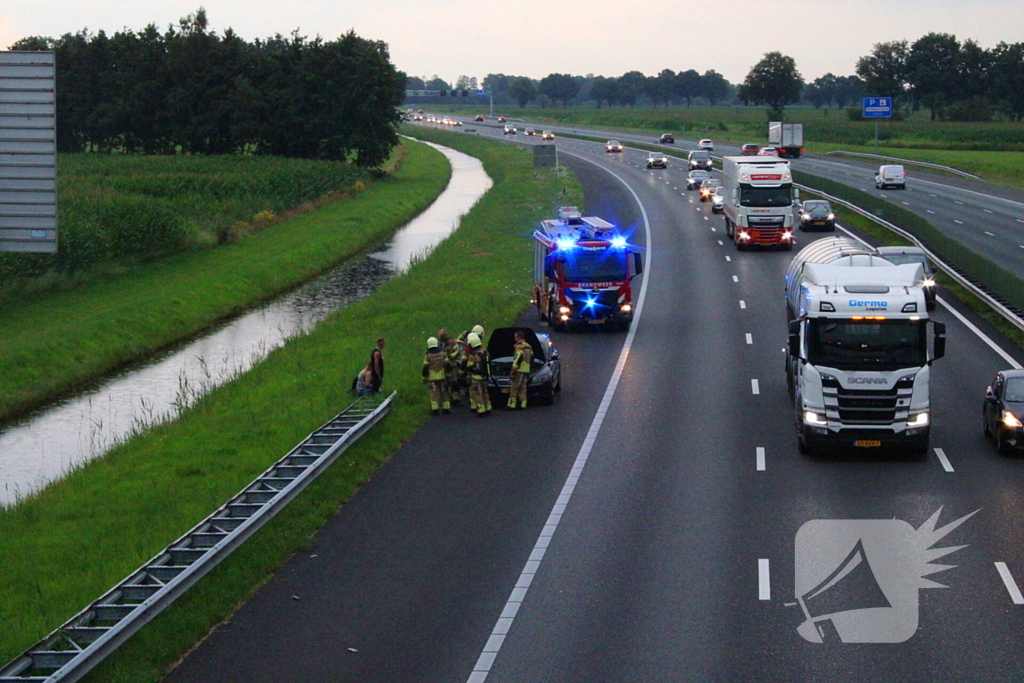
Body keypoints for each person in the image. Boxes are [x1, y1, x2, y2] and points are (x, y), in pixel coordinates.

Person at [422, 337, 451, 415]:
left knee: (434, 393)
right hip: (442, 377)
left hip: (433, 378)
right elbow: (448, 365)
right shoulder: (443, 353)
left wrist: (424, 378)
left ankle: (435, 409)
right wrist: (448, 375)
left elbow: (425, 367)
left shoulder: (428, 355)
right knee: (443, 391)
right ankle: (446, 407)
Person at [465, 332, 492, 417]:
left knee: (476, 394)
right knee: (484, 392)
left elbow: (469, 367)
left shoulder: (473, 355)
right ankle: (488, 408)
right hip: (485, 377)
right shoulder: (485, 352)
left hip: (476, 378)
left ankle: (481, 410)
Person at [507, 331, 533, 410]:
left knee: (514, 387)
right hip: (526, 369)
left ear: (518, 337)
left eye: (515, 337)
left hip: (519, 369)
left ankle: (512, 404)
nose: (515, 338)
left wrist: (514, 368)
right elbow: (532, 357)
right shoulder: (528, 346)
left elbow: (518, 356)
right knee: (523, 387)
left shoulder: (519, 346)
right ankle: (523, 403)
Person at [439, 329, 462, 407]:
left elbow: (457, 350)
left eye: (443, 336)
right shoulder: (438, 343)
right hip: (443, 366)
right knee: (445, 383)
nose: (442, 338)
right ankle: (446, 400)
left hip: (452, 365)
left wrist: (452, 356)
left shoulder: (452, 341)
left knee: (454, 382)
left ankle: (456, 399)